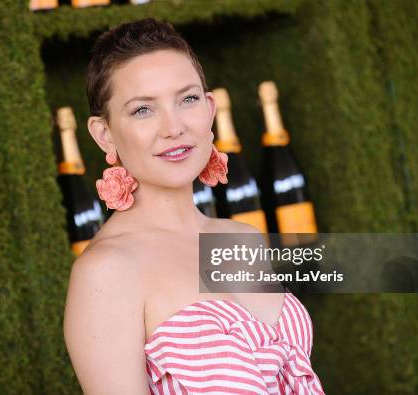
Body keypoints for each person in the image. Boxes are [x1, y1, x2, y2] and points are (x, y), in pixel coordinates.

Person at [63, 18, 325, 395]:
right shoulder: (106, 270)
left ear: (209, 108)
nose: (174, 127)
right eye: (142, 110)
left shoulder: (243, 239)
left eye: (186, 99)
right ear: (104, 134)